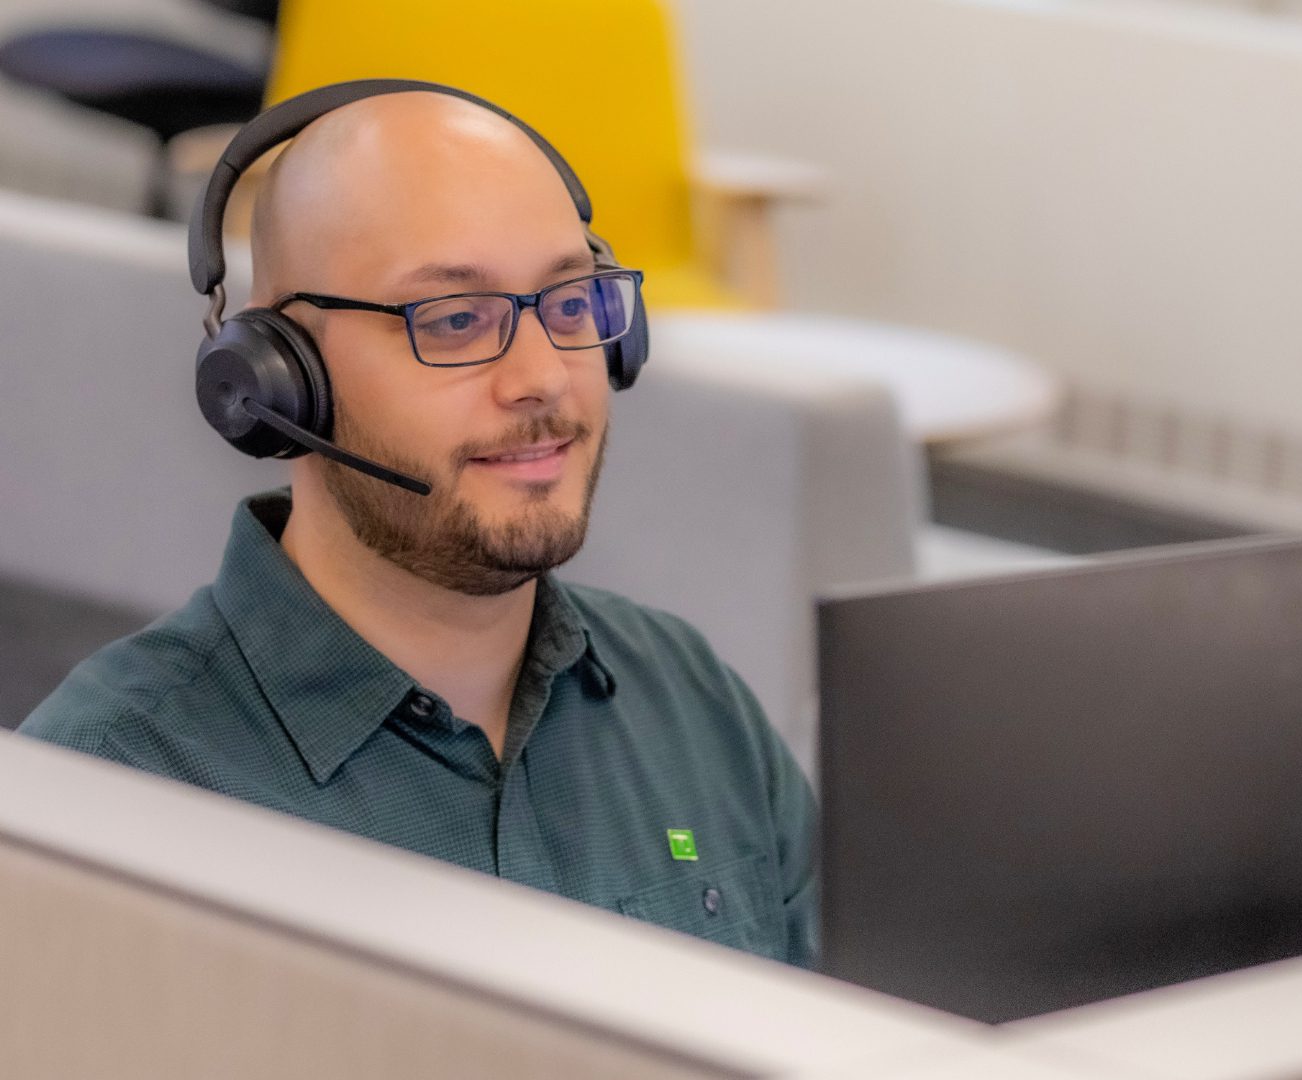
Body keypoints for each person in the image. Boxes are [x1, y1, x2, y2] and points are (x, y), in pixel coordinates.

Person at [21, 83, 817, 967]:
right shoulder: (106, 792)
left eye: (569, 301)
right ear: (279, 381)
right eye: (455, 320)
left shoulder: (696, 708)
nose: (543, 379)